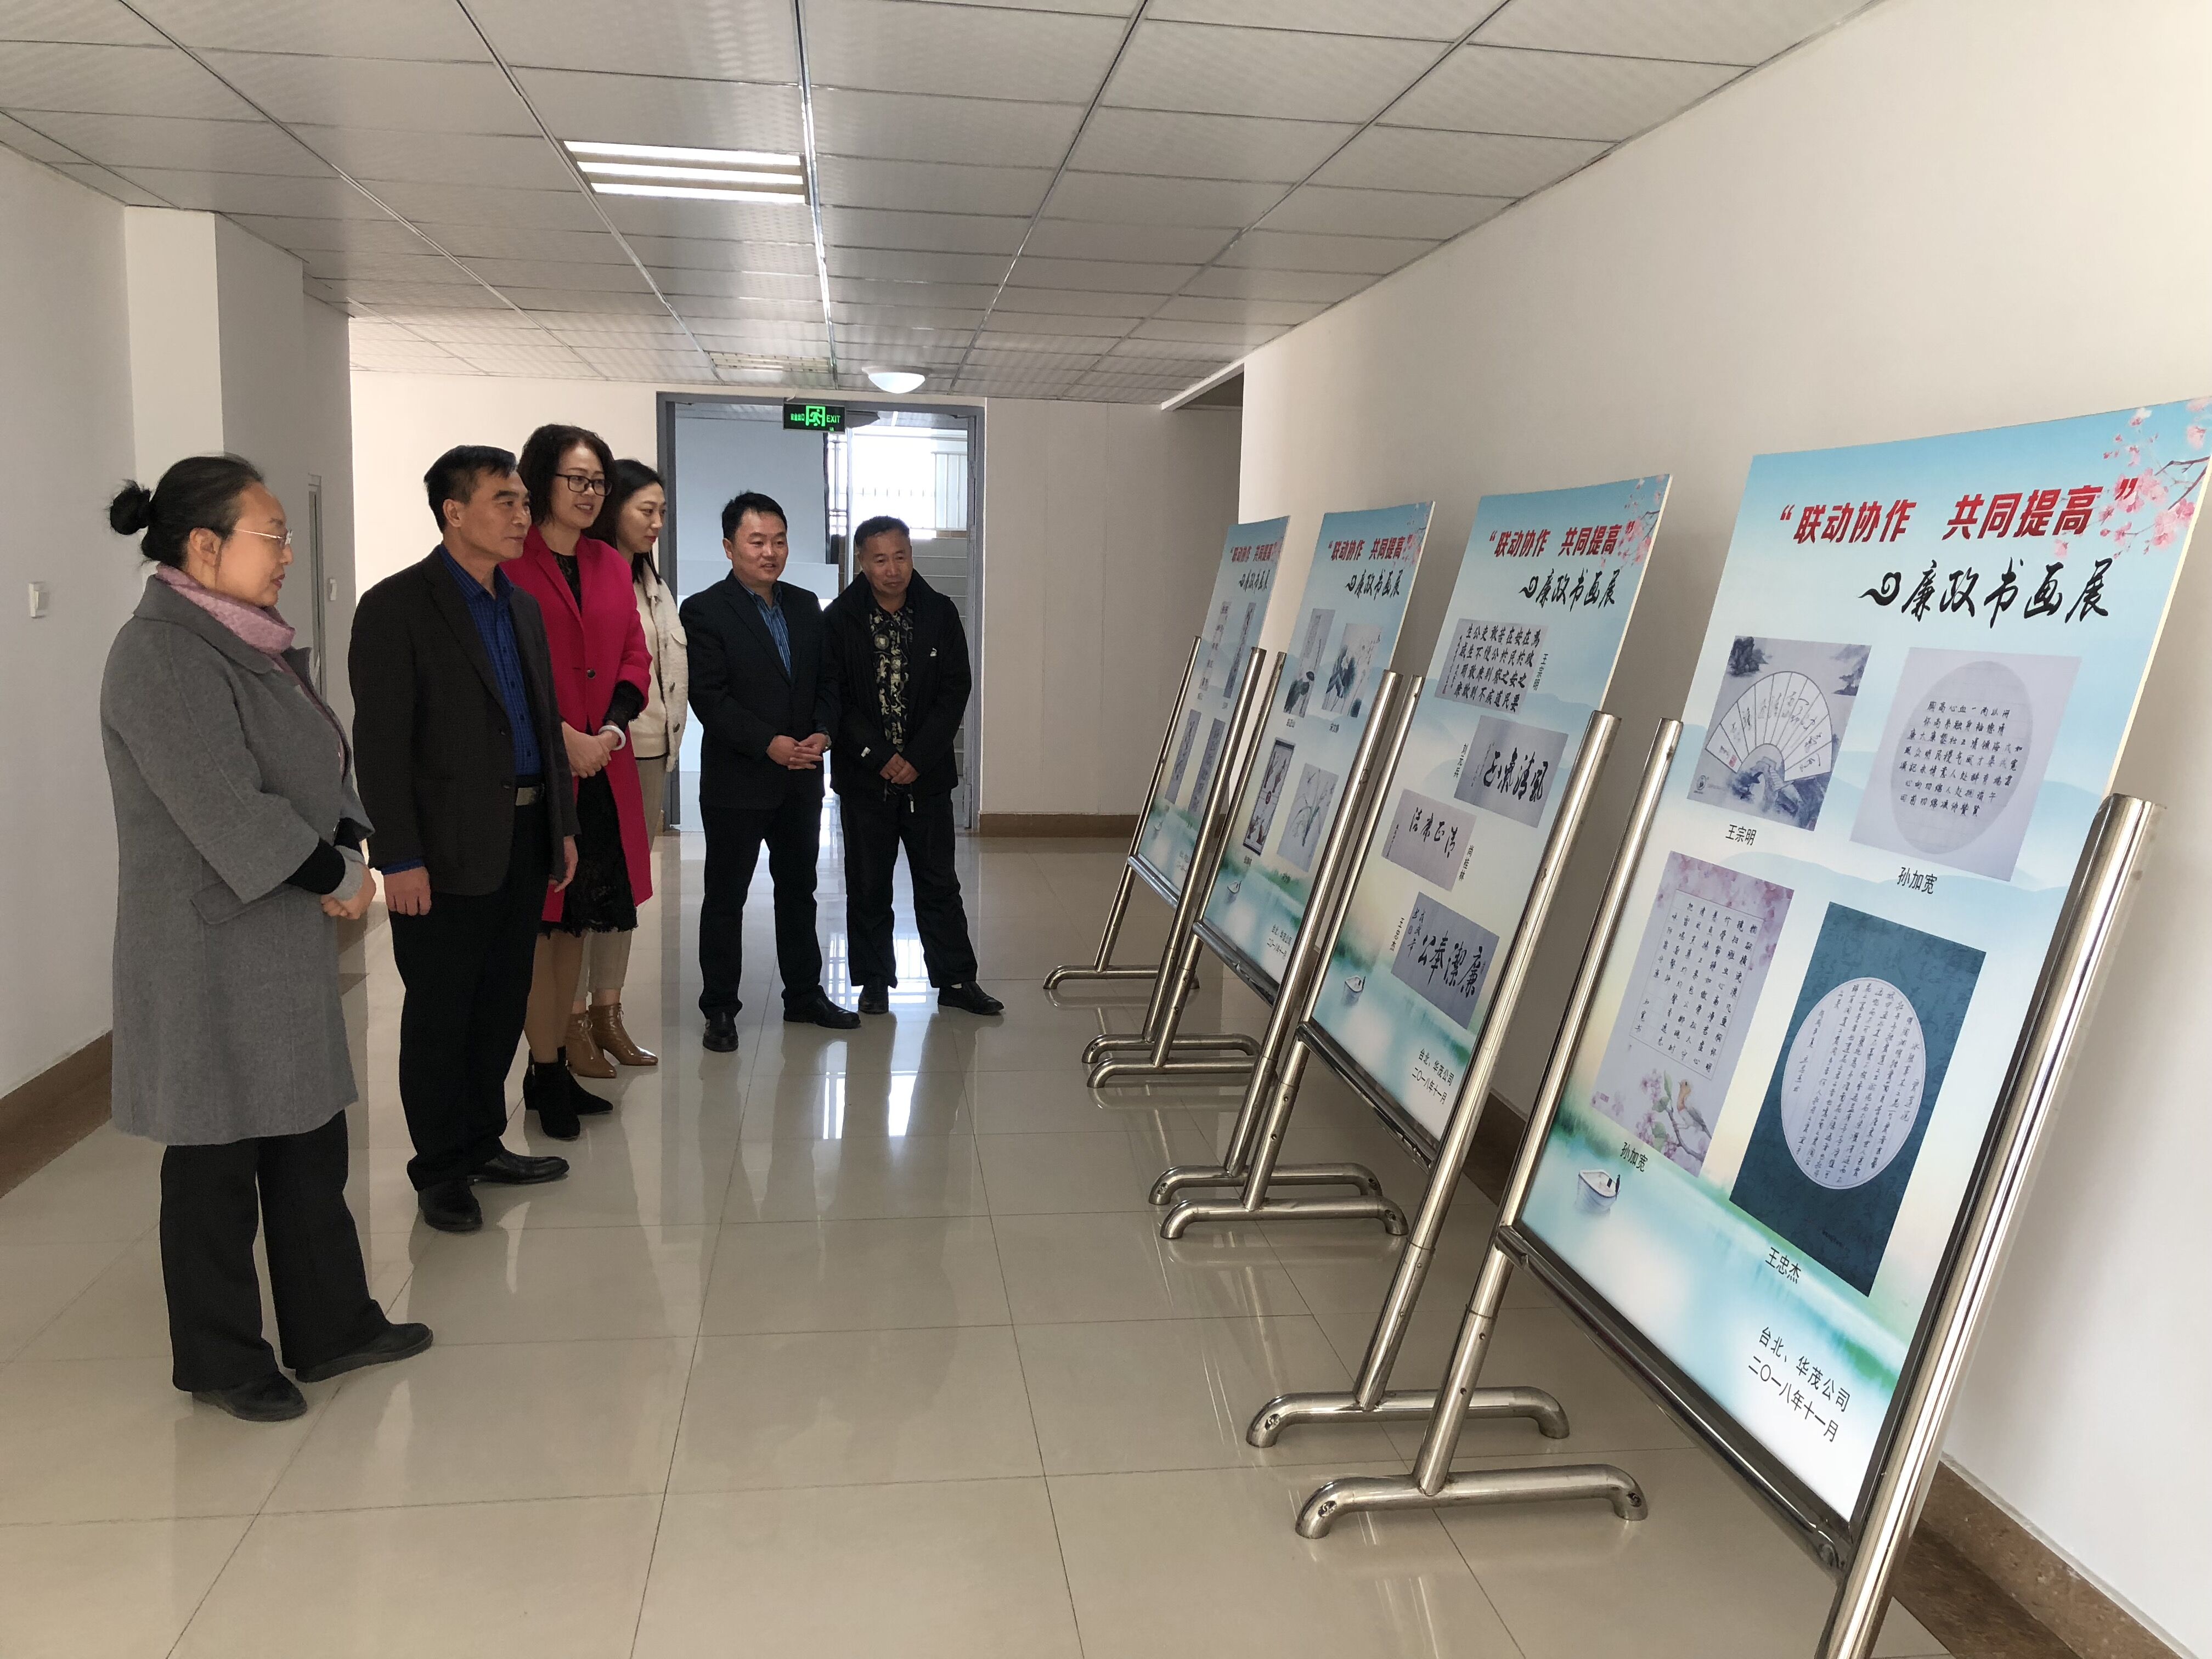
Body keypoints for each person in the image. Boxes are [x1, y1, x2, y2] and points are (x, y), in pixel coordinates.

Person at [101, 455, 430, 1422]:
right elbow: (223, 804)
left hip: (275, 934)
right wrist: (336, 873)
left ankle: (332, 1326)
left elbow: (318, 758)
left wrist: (348, 836)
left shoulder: (245, 636)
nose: (288, 553)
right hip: (207, 945)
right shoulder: (161, 653)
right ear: (205, 546)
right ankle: (221, 1358)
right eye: (273, 535)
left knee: (305, 1139)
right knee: (215, 1158)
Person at [350, 445, 576, 1231]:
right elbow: (380, 745)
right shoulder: (396, 607)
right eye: (505, 501)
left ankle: (483, 1141)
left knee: (500, 1002)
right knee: (442, 1012)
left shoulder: (521, 608)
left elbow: (543, 725)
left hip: (524, 833)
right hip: (442, 852)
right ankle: (440, 1168)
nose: (522, 516)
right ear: (454, 512)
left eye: (523, 502)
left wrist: (562, 826)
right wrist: (398, 856)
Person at [680, 490, 860, 1051]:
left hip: (801, 777)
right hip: (738, 781)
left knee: (799, 890)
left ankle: (804, 995)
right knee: (726, 897)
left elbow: (828, 681)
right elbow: (710, 698)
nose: (770, 552)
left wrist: (823, 731)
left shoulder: (805, 606)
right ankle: (720, 1008)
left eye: (779, 541)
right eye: (756, 541)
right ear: (729, 547)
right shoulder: (704, 611)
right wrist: (768, 744)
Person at [507, 426, 657, 1097]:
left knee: (587, 914)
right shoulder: (513, 561)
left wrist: (612, 731)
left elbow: (633, 655)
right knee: (548, 920)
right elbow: (509, 665)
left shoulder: (608, 564)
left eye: (599, 482)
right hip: (543, 767)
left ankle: (583, 1031)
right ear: (542, 479)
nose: (591, 493)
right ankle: (553, 1045)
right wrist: (562, 736)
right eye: (578, 480)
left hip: (605, 764)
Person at [823, 516, 1002, 1017]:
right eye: (880, 559)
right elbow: (835, 697)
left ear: (911, 556)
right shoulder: (839, 619)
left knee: (939, 881)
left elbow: (955, 689)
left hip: (927, 777)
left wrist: (917, 758)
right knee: (868, 884)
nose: (893, 569)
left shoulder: (939, 612)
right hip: (866, 778)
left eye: (900, 556)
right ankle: (874, 980)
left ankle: (956, 979)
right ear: (862, 562)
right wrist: (881, 757)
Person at [592, 459, 686, 842]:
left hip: (653, 745)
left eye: (662, 512)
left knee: (637, 858)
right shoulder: (591, 582)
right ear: (613, 510)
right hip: (605, 743)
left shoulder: (656, 588)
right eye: (647, 511)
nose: (657, 523)